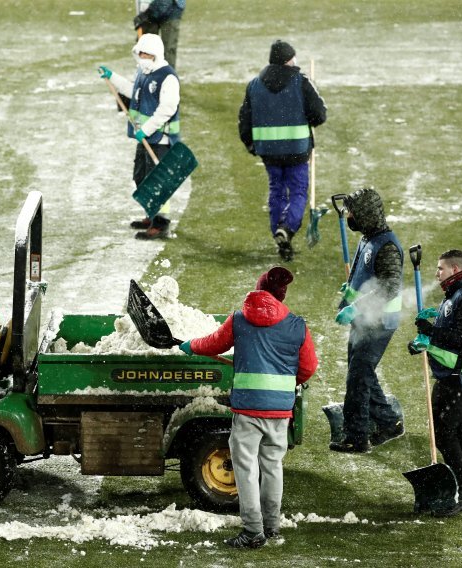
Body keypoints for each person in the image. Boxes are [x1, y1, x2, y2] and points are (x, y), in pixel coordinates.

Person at [179, 267, 318, 548]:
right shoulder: (297, 325)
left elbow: (213, 344)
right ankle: (272, 526)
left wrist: (190, 346)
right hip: (279, 412)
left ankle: (253, 531)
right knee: (272, 468)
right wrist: (286, 380)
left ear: (259, 288)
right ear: (281, 294)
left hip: (247, 411)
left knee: (245, 470)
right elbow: (308, 368)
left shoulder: (240, 319)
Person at [409, 250, 462, 516]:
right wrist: (429, 338)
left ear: (455, 269)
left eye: (440, 268)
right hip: (453, 377)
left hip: (460, 379)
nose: (436, 272)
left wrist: (430, 333)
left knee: (445, 433)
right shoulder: (457, 293)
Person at [330, 187, 404, 453]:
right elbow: (366, 277)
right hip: (365, 319)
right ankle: (388, 422)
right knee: (361, 371)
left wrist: (355, 306)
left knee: (357, 379)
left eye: (352, 212)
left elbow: (389, 288)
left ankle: (357, 437)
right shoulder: (368, 239)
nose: (348, 216)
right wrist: (351, 292)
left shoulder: (387, 248)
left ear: (366, 215)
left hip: (379, 322)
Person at [238, 40, 327, 261]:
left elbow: (244, 119)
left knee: (276, 190)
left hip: (268, 152)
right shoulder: (301, 81)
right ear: (289, 60)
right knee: (297, 191)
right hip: (297, 149)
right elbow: (320, 114)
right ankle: (287, 228)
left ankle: (279, 233)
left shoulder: (255, 85)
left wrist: (251, 144)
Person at [99, 33, 181, 240]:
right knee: (141, 177)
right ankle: (151, 214)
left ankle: (161, 224)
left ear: (156, 54)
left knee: (157, 183)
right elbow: (132, 90)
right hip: (144, 137)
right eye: (140, 53)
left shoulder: (167, 77)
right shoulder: (143, 73)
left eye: (147, 54)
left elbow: (168, 108)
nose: (142, 57)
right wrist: (112, 77)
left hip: (159, 138)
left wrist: (149, 128)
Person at [133, 0, 185, 69]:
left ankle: (168, 76)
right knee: (146, 48)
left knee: (169, 50)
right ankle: (145, 76)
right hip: (146, 8)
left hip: (172, 7)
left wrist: (146, 14)